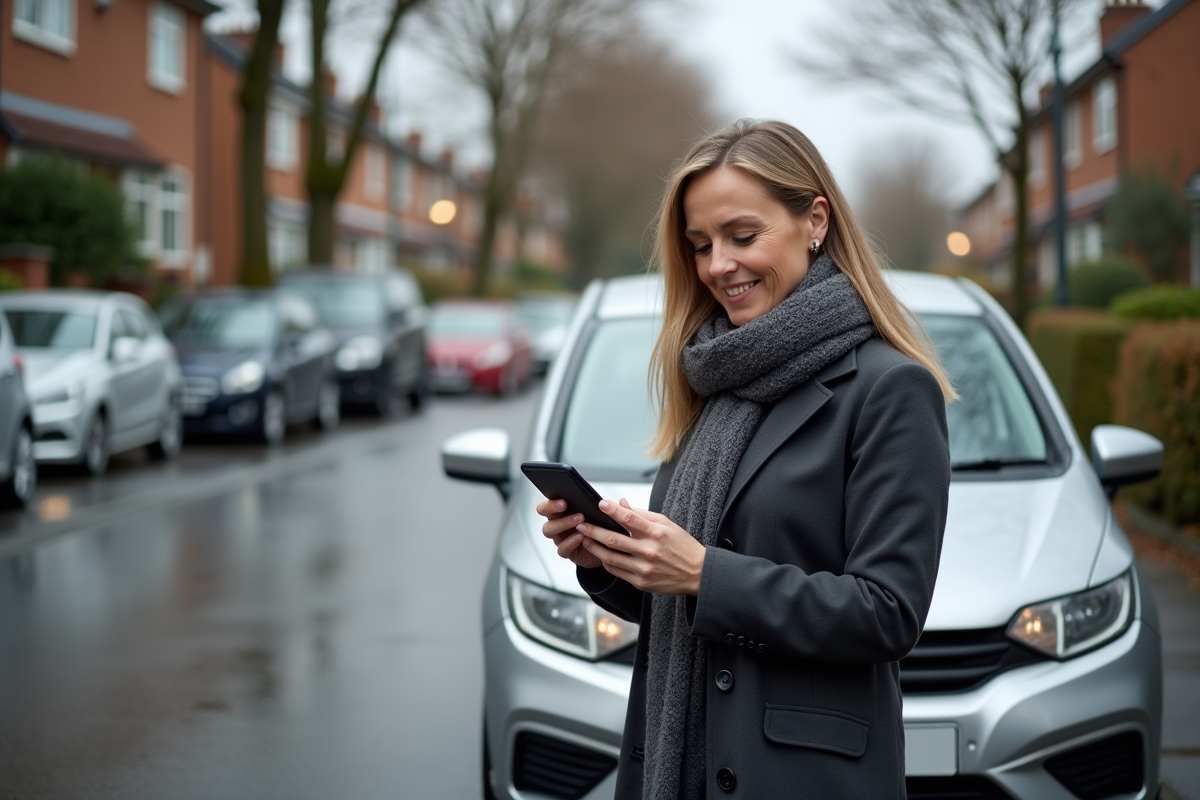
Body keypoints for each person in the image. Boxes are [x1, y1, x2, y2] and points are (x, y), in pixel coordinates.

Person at [538, 119, 954, 799]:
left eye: (742, 236)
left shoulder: (889, 388)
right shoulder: (713, 382)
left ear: (815, 220)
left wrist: (704, 574)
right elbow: (686, 603)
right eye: (701, 245)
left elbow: (888, 613)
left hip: (802, 779)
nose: (717, 265)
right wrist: (611, 563)